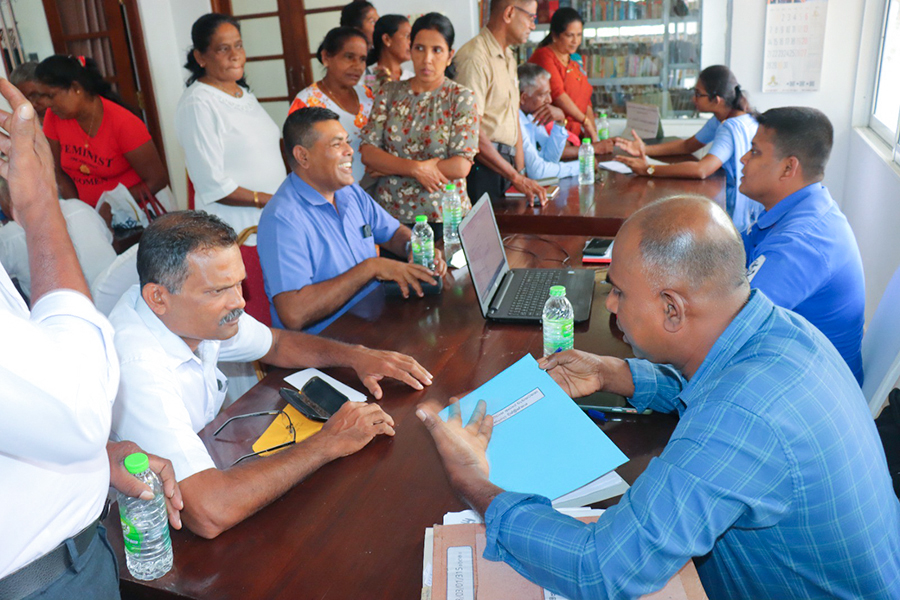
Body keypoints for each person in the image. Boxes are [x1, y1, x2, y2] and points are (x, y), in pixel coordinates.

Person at [417, 195, 900, 599]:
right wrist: (615, 372)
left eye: (620, 292)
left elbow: (600, 568)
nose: (609, 303)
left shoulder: (741, 415)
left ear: (672, 308)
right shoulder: (780, 332)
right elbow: (712, 380)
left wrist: (473, 480)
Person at [109, 210, 435, 540]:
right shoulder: (137, 368)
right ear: (158, 297)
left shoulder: (186, 312)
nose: (239, 302)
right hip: (146, 532)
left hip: (200, 471)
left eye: (239, 283)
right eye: (219, 291)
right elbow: (210, 510)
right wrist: (326, 443)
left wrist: (357, 356)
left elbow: (275, 343)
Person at [0, 79, 182, 599]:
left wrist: (98, 458)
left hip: (75, 557)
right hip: (37, 583)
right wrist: (39, 207)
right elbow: (78, 409)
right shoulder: (34, 222)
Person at [258, 107, 448, 333]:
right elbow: (294, 314)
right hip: (326, 343)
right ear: (303, 156)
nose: (350, 150)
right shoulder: (282, 219)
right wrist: (370, 268)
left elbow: (393, 233)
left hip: (374, 321)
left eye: (347, 142)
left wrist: (416, 248)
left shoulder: (349, 192)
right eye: (337, 144)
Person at [739, 107, 865, 384]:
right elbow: (727, 253)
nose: (743, 158)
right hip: (791, 365)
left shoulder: (800, 241)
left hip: (814, 393)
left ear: (788, 167)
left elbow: (734, 330)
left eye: (755, 152)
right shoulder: (796, 207)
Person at [359, 13, 478, 224]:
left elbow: (460, 166)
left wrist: (390, 165)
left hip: (444, 217)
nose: (427, 59)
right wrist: (416, 169)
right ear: (411, 50)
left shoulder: (460, 98)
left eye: (437, 50)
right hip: (391, 219)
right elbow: (369, 154)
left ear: (450, 55)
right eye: (419, 48)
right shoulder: (389, 93)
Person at [175, 13, 287, 236]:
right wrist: (270, 200)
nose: (235, 55)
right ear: (201, 57)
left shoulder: (243, 94)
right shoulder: (198, 103)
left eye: (238, 45)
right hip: (236, 232)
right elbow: (213, 185)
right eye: (223, 49)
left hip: (269, 221)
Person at [615, 65, 762, 231]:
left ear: (717, 100)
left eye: (699, 94)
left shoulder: (729, 127)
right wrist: (644, 149)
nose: (693, 99)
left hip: (734, 212)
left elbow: (702, 170)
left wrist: (648, 169)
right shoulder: (725, 117)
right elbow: (688, 145)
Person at [36, 55, 169, 219]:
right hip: (92, 216)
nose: (47, 104)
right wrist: (82, 213)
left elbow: (157, 180)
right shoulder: (54, 117)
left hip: (136, 216)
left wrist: (113, 203)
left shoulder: (124, 124)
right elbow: (58, 172)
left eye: (51, 95)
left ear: (76, 88)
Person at [453, 0, 548, 205]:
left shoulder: (508, 56)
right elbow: (471, 131)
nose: (533, 25)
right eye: (531, 17)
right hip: (484, 166)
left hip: (507, 165)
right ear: (509, 13)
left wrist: (520, 173)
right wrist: (516, 177)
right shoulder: (475, 57)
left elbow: (512, 117)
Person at [0, 177, 116, 302]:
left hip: (67, 314)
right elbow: (111, 242)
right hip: (115, 298)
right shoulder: (79, 206)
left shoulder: (9, 237)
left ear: (7, 201)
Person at [289, 27, 374, 182]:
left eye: (362, 59)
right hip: (332, 193)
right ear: (326, 57)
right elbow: (301, 162)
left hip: (372, 192)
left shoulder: (368, 95)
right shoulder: (307, 102)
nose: (357, 66)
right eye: (349, 57)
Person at [517, 63, 612, 180]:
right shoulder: (516, 121)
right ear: (524, 98)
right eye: (543, 95)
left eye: (549, 93)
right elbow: (537, 172)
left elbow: (550, 158)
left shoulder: (532, 116)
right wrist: (581, 165)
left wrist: (560, 122)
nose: (549, 100)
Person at [527, 7, 597, 141]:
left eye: (579, 35)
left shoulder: (575, 60)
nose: (575, 41)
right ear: (555, 35)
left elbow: (586, 99)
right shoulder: (545, 56)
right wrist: (585, 121)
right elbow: (558, 94)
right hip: (553, 134)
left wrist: (593, 132)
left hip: (578, 134)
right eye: (570, 35)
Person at [364, 14, 414, 92]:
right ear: (387, 39)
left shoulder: (411, 78)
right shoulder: (366, 78)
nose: (411, 43)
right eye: (407, 36)